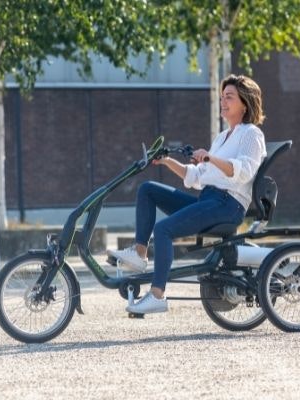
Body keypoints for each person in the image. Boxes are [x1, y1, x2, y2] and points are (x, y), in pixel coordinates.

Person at [108, 74, 267, 314]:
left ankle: (157, 295)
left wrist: (211, 157)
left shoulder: (251, 134)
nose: (223, 102)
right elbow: (197, 175)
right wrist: (167, 161)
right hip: (210, 199)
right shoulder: (223, 137)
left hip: (228, 204)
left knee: (163, 230)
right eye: (222, 97)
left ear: (244, 103)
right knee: (148, 189)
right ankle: (139, 253)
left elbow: (243, 172)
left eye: (229, 97)